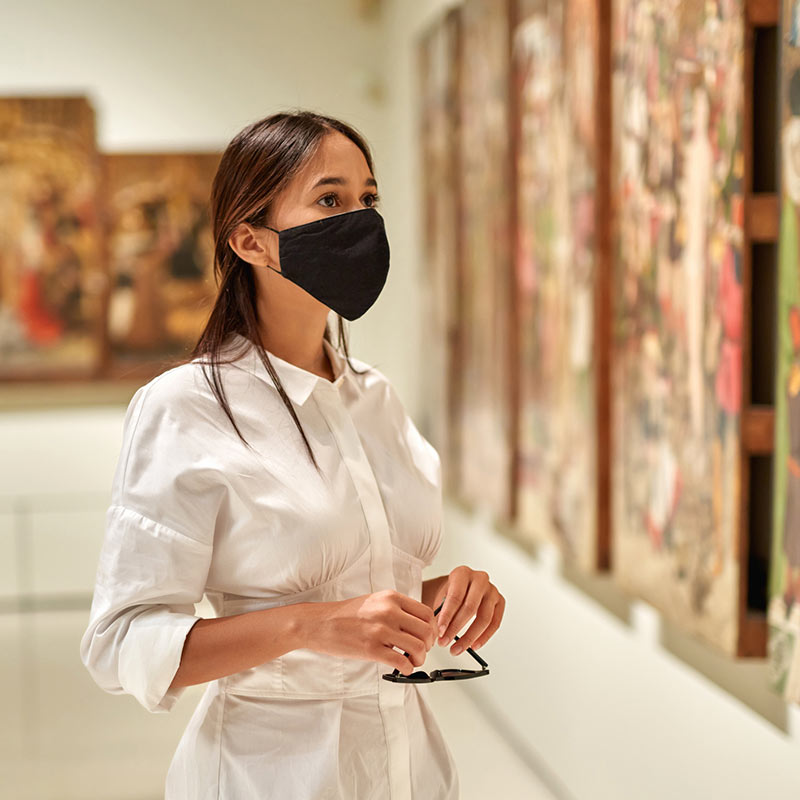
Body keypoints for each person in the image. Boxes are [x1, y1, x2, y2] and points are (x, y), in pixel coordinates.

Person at [79, 109, 505, 800]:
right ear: (251, 240)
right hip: (268, 775)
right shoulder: (185, 407)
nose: (361, 222)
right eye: (330, 200)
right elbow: (122, 644)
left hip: (409, 768)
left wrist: (445, 598)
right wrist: (312, 625)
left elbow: (364, 590)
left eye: (368, 199)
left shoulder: (377, 400)